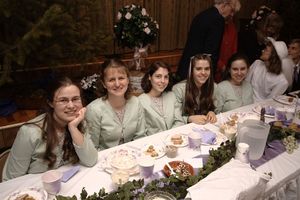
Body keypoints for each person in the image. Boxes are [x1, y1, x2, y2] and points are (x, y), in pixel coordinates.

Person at [2, 77, 97, 181]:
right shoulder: (29, 132)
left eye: (75, 99)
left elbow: (90, 160)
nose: (71, 105)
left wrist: (73, 128)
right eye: (63, 100)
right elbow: (11, 180)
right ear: (51, 103)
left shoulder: (79, 122)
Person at [85, 58, 146, 150]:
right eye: (111, 80)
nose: (117, 84)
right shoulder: (93, 110)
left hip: (133, 156)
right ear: (104, 84)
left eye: (121, 78)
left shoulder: (136, 102)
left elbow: (141, 136)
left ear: (128, 80)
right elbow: (92, 148)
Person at [176, 0, 240, 80]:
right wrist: (210, 78)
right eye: (232, 10)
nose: (232, 14)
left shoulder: (202, 15)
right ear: (225, 4)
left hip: (187, 67)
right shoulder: (218, 20)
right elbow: (211, 53)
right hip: (199, 72)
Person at [138, 61, 184, 135]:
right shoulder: (140, 101)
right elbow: (141, 133)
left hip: (173, 140)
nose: (163, 81)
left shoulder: (171, 96)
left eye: (166, 77)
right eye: (158, 76)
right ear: (150, 77)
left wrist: (170, 137)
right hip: (153, 144)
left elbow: (179, 121)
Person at [173, 54, 217, 124]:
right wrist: (189, 119)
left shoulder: (214, 86)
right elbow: (175, 117)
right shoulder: (179, 89)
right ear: (191, 71)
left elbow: (215, 108)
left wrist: (212, 112)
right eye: (198, 69)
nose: (203, 72)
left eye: (207, 69)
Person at [246, 38, 288, 102]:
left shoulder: (282, 81)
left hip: (260, 109)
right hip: (245, 101)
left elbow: (268, 102)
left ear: (273, 56)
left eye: (266, 50)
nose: (262, 51)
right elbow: (245, 84)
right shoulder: (257, 63)